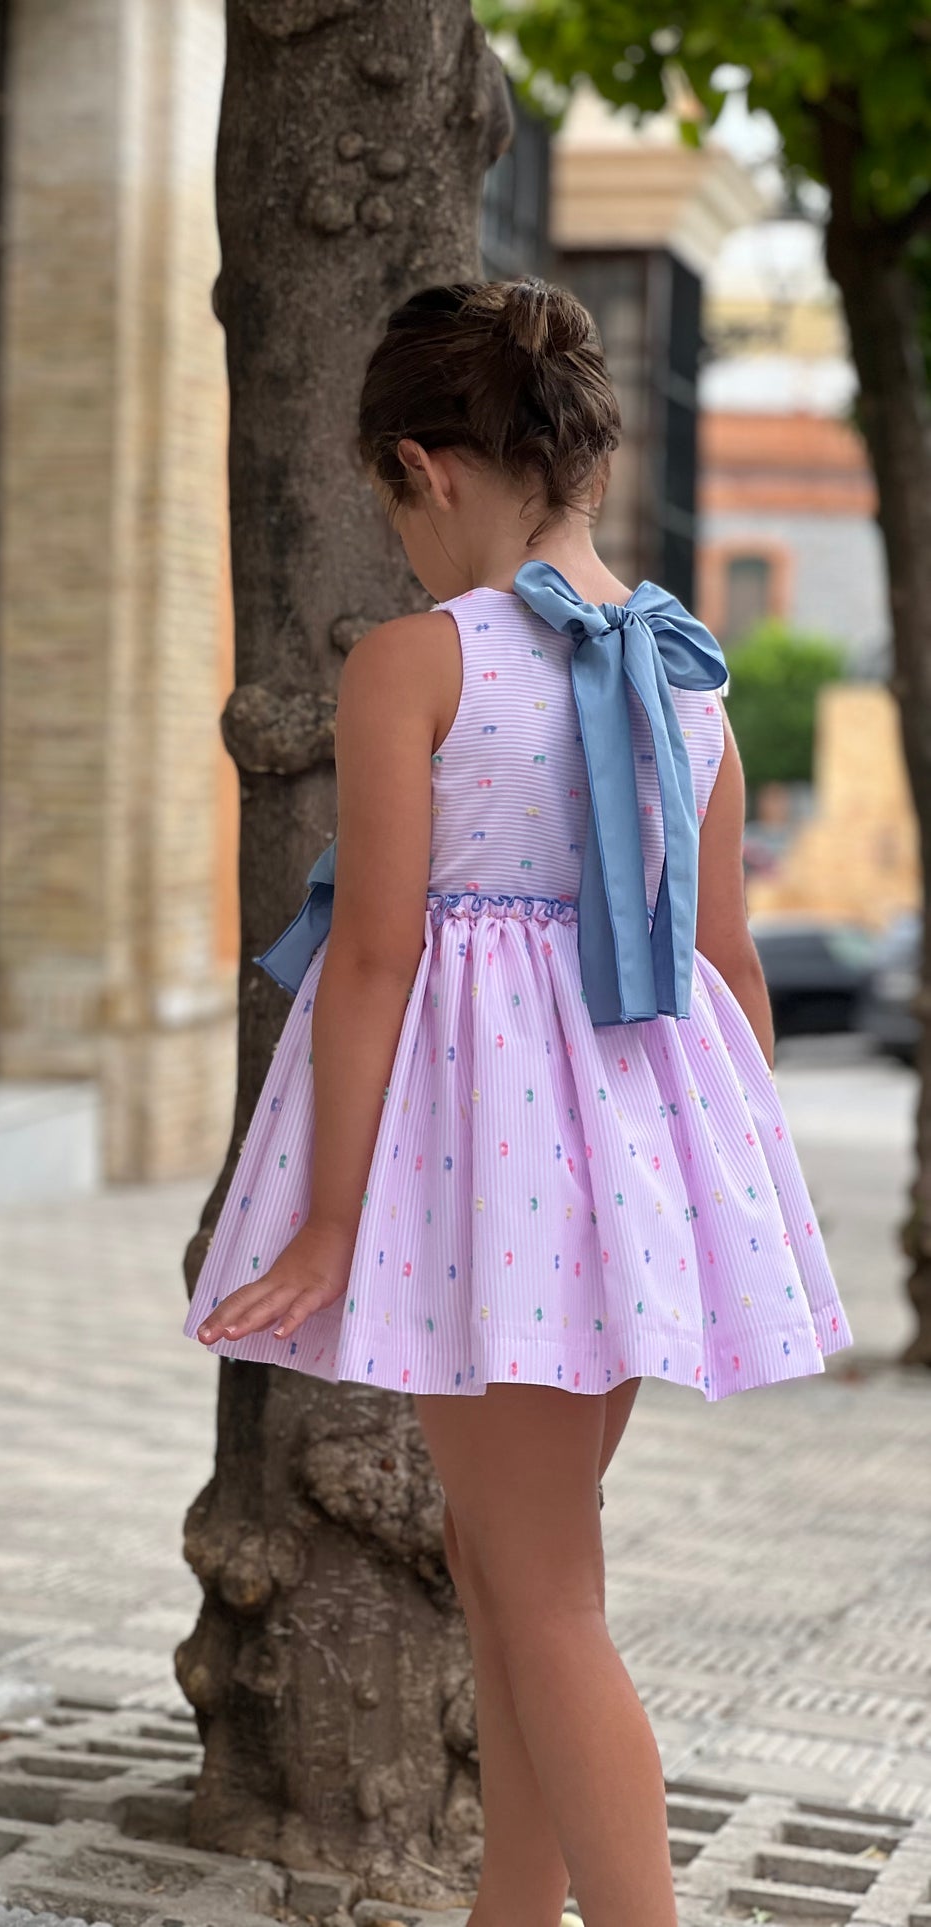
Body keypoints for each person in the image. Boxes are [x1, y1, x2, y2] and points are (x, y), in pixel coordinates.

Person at [181, 278, 852, 1927]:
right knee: (511, 1571)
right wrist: (725, 1198)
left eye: (389, 506)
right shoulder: (684, 676)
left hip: (499, 1184)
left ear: (422, 469)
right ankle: (509, 1913)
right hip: (631, 1171)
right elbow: (724, 969)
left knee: (544, 1600)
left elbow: (374, 961)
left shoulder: (418, 663)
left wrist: (331, 1220)